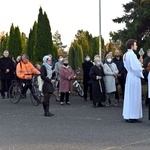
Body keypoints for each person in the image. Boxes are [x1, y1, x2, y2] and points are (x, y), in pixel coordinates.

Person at [123, 39, 144, 123]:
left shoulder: (125, 54)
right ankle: (133, 116)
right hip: (134, 76)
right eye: (135, 44)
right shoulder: (132, 55)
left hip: (129, 75)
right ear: (131, 46)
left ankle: (128, 114)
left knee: (129, 96)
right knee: (134, 96)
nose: (136, 46)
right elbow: (136, 68)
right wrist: (141, 70)